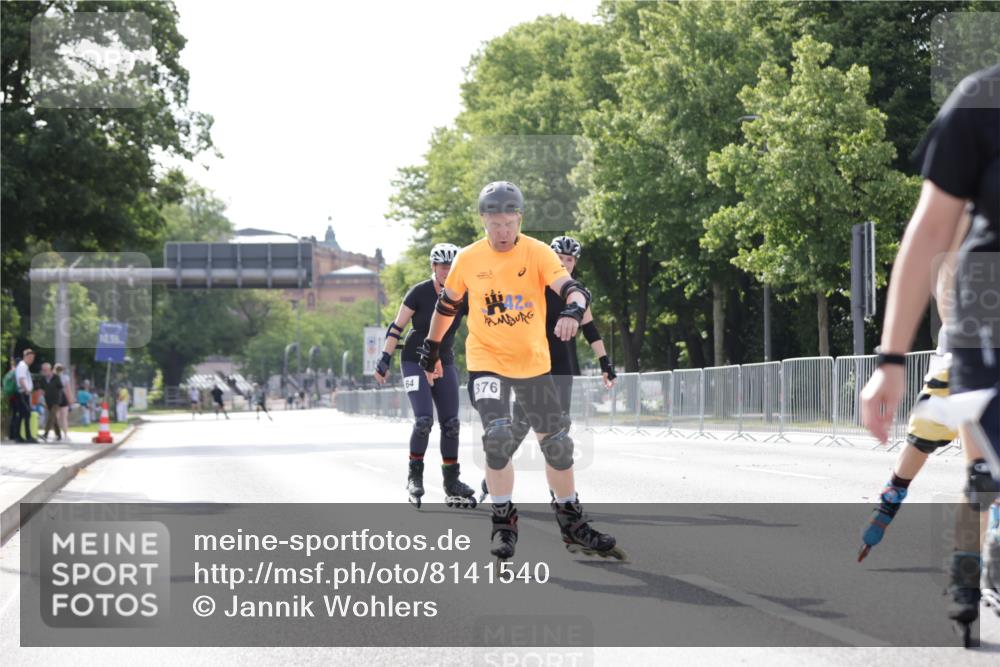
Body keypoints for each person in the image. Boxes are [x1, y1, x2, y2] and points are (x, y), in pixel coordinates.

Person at [860, 63, 999, 645]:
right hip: (980, 337)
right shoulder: (978, 110)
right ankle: (969, 574)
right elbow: (927, 243)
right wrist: (892, 359)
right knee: (983, 473)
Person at [419, 181, 624, 561]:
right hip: (487, 363)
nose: (502, 232)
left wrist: (572, 311)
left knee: (558, 445)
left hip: (533, 364)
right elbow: (446, 308)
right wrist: (430, 351)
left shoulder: (538, 253)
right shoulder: (469, 259)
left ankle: (573, 523)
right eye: (494, 223)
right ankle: (503, 523)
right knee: (497, 438)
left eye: (509, 223)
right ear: (483, 220)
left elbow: (573, 289)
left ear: (519, 219)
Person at [857, 211, 972, 562]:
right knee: (974, 460)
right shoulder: (970, 205)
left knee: (925, 444)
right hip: (968, 356)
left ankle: (891, 500)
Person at [374, 242, 474, 508]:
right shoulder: (418, 292)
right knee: (424, 420)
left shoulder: (464, 293)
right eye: (443, 266)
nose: (447, 271)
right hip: (414, 360)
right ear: (434, 267)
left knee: (451, 423)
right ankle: (414, 476)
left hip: (445, 359)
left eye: (452, 266)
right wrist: (385, 358)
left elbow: (481, 325)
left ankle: (451, 480)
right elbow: (396, 327)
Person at [11, 349, 37, 443]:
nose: (32, 359)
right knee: (26, 414)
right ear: (25, 356)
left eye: (33, 358)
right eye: (30, 357)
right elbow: (21, 379)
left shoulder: (23, 366)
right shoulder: (22, 366)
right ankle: (27, 436)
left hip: (23, 393)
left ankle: (19, 436)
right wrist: (27, 390)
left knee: (23, 415)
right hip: (23, 393)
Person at [39, 362, 63, 442]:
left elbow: (60, 388)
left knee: (51, 417)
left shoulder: (56, 377)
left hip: (56, 401)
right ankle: (58, 435)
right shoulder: (43, 379)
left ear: (50, 370)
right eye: (43, 370)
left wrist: (59, 398)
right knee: (54, 418)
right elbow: (42, 390)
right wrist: (42, 401)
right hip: (48, 401)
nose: (44, 372)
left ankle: (45, 434)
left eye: (46, 370)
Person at [55, 364, 73, 438]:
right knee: (64, 417)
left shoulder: (53, 377)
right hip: (62, 397)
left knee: (56, 417)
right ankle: (65, 434)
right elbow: (68, 389)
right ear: (62, 370)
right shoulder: (65, 377)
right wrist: (70, 399)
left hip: (55, 397)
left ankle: (57, 434)